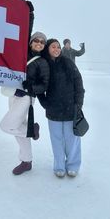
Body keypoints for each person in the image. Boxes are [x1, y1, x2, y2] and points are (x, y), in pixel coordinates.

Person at [0, 31, 50, 175]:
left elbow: (44, 85)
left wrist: (30, 87)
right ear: (31, 42)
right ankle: (26, 161)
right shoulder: (21, 54)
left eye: (42, 42)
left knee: (6, 126)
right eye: (36, 40)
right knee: (19, 128)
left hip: (26, 98)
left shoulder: (43, 62)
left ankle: (32, 130)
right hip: (14, 94)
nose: (39, 43)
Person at [38, 39, 85, 178]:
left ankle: (73, 166)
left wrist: (79, 105)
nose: (57, 49)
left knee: (72, 139)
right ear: (47, 49)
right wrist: (45, 103)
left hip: (71, 109)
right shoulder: (44, 64)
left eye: (58, 47)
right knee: (56, 140)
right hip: (53, 111)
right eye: (53, 47)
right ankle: (59, 166)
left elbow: (79, 84)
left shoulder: (67, 62)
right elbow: (40, 87)